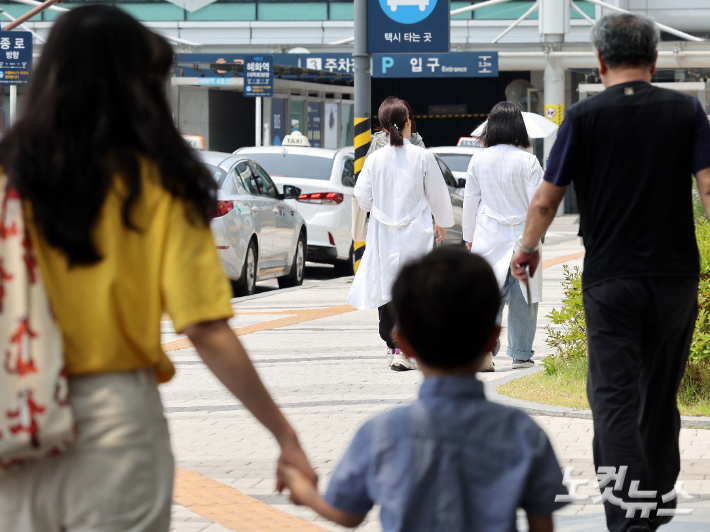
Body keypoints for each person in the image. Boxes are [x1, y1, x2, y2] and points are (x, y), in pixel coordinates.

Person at [0, 7, 315, 531]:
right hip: (115, 423)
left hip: (16, 412)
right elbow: (206, 329)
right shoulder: (161, 184)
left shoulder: (10, 178)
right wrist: (285, 435)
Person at [511, 13, 710, 532]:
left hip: (611, 279)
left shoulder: (584, 117)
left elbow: (546, 200)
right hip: (674, 280)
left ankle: (630, 519)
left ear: (600, 61)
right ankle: (656, 501)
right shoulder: (686, 111)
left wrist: (528, 250)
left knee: (615, 401)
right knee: (660, 394)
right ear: (655, 59)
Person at [279, 249, 569, 531]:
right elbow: (542, 524)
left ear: (402, 343)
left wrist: (304, 492)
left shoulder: (380, 433)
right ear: (492, 338)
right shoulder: (523, 432)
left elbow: (347, 514)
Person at [346, 97, 453, 371]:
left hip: (383, 230)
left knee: (388, 286)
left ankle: (396, 347)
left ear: (382, 127)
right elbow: (438, 194)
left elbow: (361, 195)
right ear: (408, 122)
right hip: (416, 229)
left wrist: (379, 209)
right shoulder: (422, 156)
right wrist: (440, 221)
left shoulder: (375, 159)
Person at [463, 102, 543, 372]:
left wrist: (468, 238)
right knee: (525, 297)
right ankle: (521, 355)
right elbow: (538, 204)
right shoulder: (529, 161)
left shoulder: (478, 159)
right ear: (518, 126)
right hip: (524, 235)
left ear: (491, 127)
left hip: (488, 235)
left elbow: (470, 202)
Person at [351, 98, 425, 273]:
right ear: (408, 120)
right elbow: (429, 188)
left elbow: (362, 189)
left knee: (385, 269)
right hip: (409, 218)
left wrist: (374, 206)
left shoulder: (414, 145)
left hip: (387, 217)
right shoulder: (419, 149)